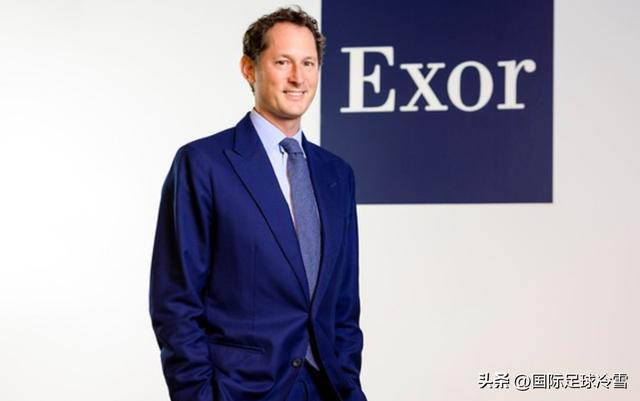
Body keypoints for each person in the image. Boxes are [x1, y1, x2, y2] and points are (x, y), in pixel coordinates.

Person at [149, 6, 366, 401]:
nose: (298, 77)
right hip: (239, 390)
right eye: (283, 62)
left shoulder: (338, 174)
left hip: (327, 389)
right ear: (249, 69)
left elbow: (344, 304)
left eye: (308, 63)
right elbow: (175, 301)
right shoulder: (203, 163)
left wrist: (348, 382)